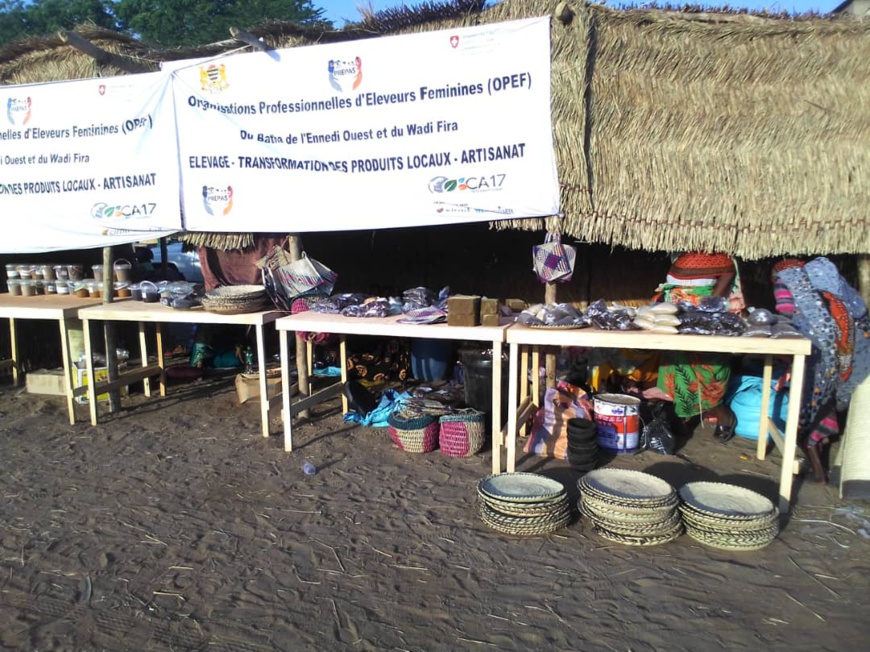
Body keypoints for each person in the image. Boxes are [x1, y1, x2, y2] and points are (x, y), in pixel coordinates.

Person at [772, 257, 870, 481]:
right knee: (828, 402)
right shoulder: (830, 280)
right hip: (852, 350)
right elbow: (859, 313)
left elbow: (786, 315)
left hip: (817, 352)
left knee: (807, 409)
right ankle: (823, 454)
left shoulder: (785, 279)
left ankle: (818, 472)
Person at [652, 252, 745, 439]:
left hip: (703, 310)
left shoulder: (717, 253)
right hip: (678, 308)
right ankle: (683, 417)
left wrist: (709, 304)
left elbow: (728, 270)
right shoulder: (679, 254)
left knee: (706, 369)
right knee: (678, 366)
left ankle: (724, 415)